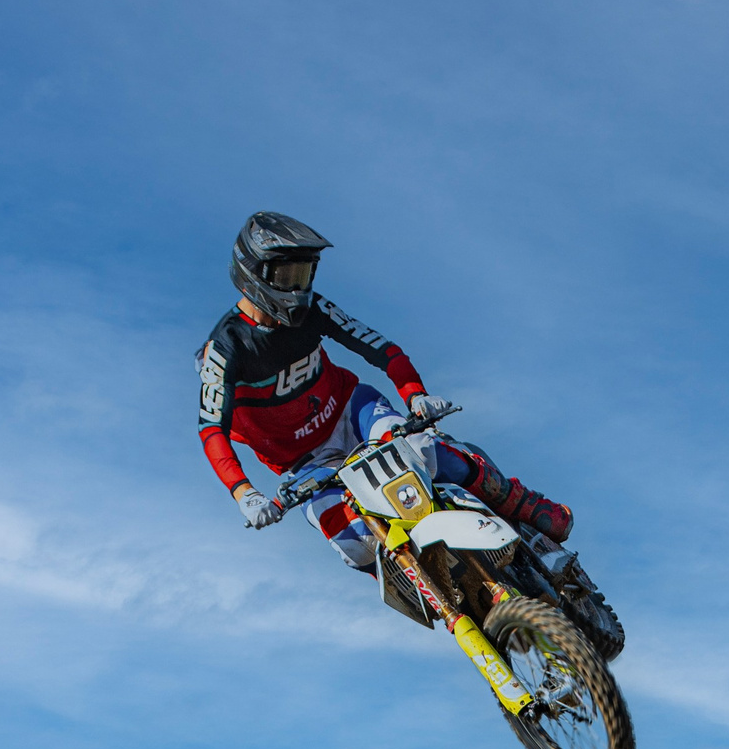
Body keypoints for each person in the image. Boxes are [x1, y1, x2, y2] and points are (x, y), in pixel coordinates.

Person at [195, 211, 572, 575]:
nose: (298, 287)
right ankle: (433, 596)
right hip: (304, 463)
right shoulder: (225, 349)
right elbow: (212, 429)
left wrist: (416, 396)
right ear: (253, 273)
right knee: (353, 544)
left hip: (351, 412)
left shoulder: (315, 309)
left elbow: (380, 348)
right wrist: (244, 492)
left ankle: (523, 505)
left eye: (305, 273)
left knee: (424, 454)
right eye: (288, 275)